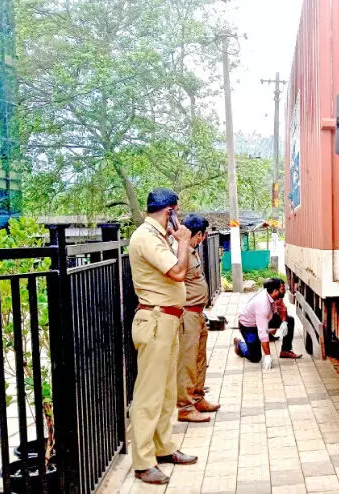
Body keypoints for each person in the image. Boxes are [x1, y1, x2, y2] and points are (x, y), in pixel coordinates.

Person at [128, 188, 198, 485]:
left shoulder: (158, 236)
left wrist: (175, 239)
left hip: (167, 320)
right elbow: (178, 272)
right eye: (176, 211)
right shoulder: (145, 236)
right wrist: (183, 241)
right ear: (169, 210)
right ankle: (143, 462)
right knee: (148, 395)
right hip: (155, 321)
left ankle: (163, 447)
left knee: (167, 392)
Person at [176, 214, 220, 423]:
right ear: (199, 234)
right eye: (203, 234)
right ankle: (185, 407)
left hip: (198, 313)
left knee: (200, 359)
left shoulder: (192, 251)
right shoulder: (180, 251)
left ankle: (197, 397)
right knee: (187, 361)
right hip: (187, 314)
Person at [234, 277, 301, 368]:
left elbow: (283, 309)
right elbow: (263, 333)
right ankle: (239, 344)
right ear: (275, 291)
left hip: (265, 319)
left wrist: (284, 322)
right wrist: (268, 356)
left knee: (290, 320)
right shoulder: (263, 305)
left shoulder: (275, 296)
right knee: (255, 357)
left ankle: (285, 350)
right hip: (249, 326)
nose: (285, 290)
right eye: (282, 289)